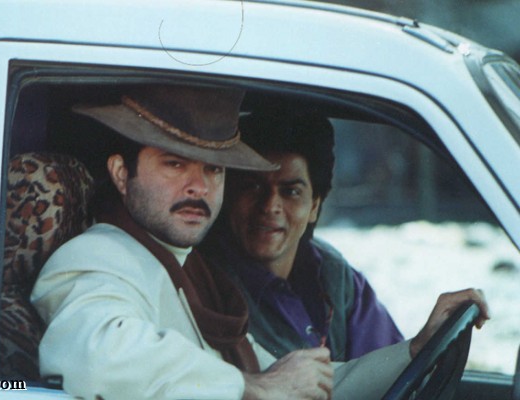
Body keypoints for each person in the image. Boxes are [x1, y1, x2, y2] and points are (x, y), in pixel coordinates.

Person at [30, 85, 490, 400]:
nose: (199, 186)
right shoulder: (99, 256)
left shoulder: (192, 274)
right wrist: (252, 388)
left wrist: (414, 350)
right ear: (121, 174)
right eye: (175, 164)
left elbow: (302, 384)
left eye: (213, 169)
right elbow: (95, 356)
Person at [201, 103, 403, 362]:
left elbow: (392, 365)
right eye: (252, 187)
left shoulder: (335, 275)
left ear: (314, 207)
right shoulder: (206, 283)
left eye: (291, 192)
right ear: (229, 194)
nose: (270, 206)